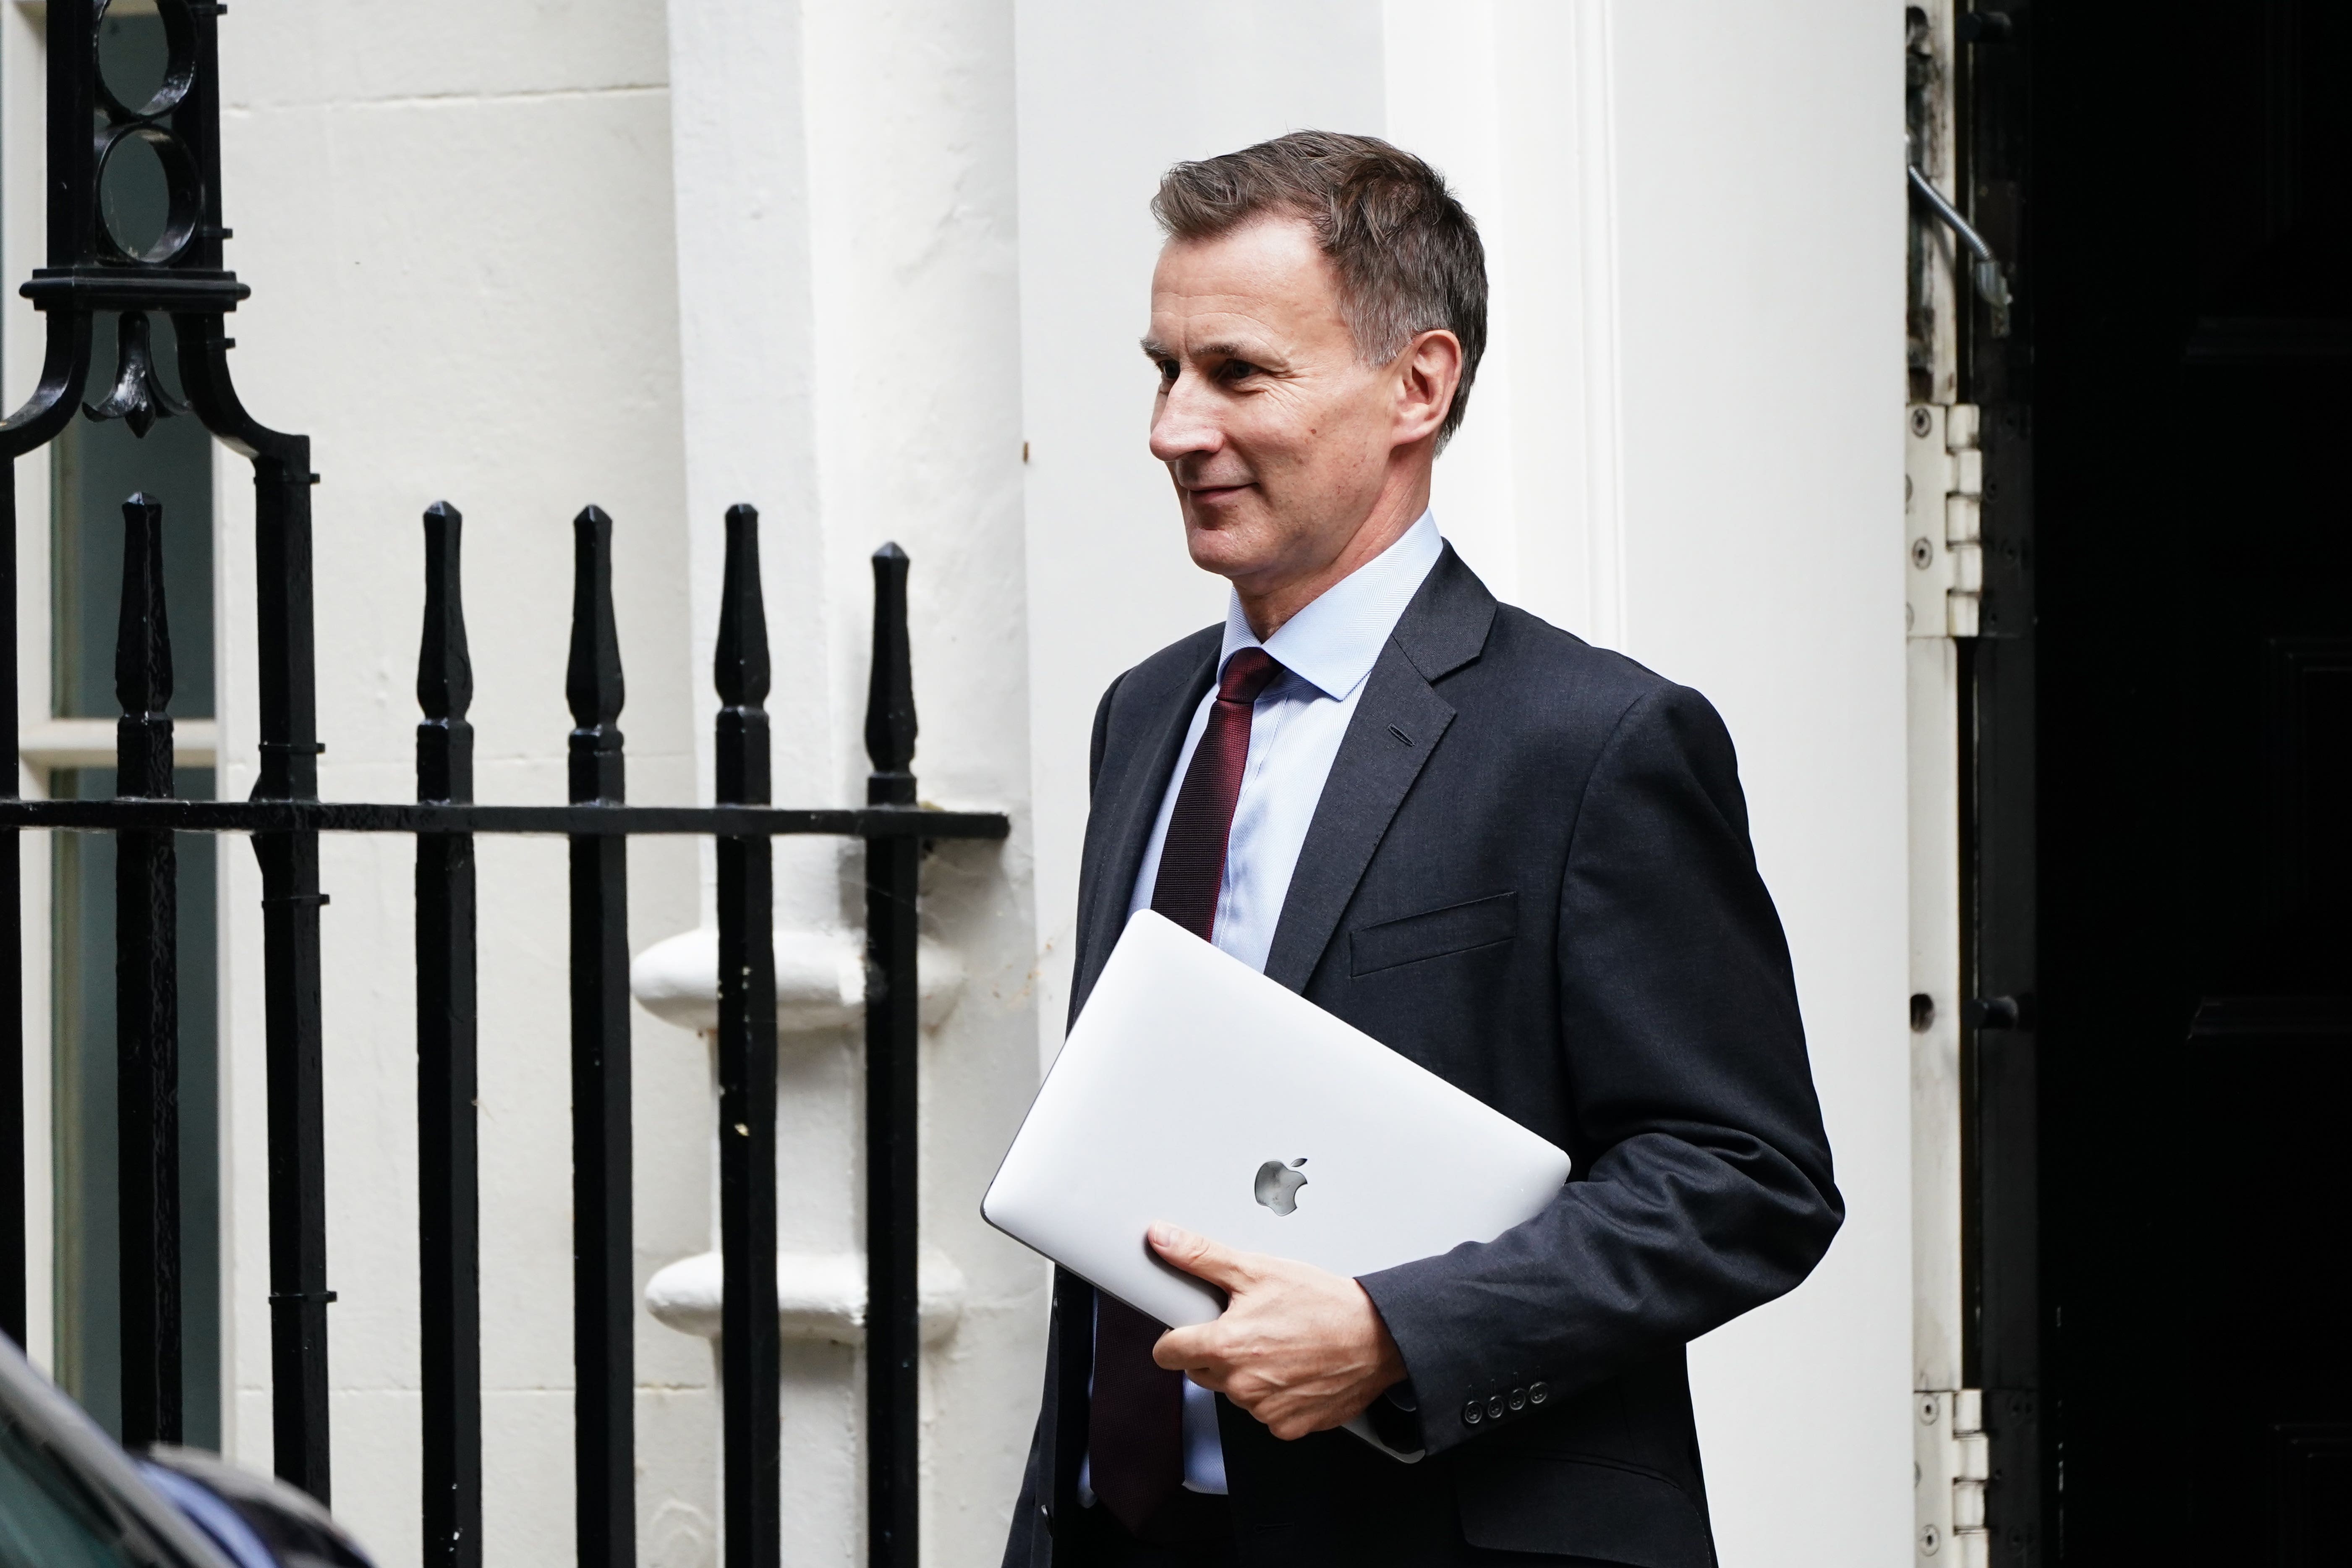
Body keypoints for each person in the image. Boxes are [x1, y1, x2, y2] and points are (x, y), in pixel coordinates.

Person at [1002, 131, 1842, 1568]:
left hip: (1439, 1528)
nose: (1172, 429)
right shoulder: (1143, 718)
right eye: (1164, 369)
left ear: (1418, 384)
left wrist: (1397, 1332)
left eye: (1237, 373)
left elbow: (1741, 1175)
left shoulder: (1595, 740)